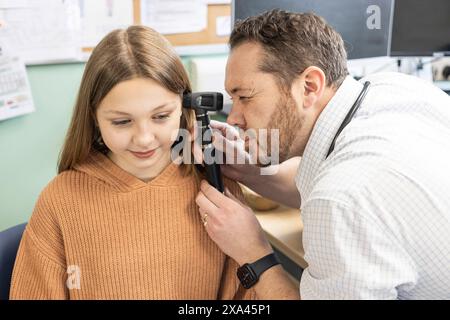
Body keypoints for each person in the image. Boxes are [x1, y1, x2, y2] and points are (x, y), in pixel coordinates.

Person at [195, 9, 450, 299]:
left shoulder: (339, 199)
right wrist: (248, 171)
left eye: (245, 97)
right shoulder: (395, 89)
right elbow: (326, 181)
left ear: (309, 87)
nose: (233, 118)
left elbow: (341, 197)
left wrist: (253, 252)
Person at [10, 26, 256, 300]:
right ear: (94, 117)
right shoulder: (59, 202)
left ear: (184, 106)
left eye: (161, 116)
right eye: (122, 121)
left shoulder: (217, 187)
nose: (144, 138)